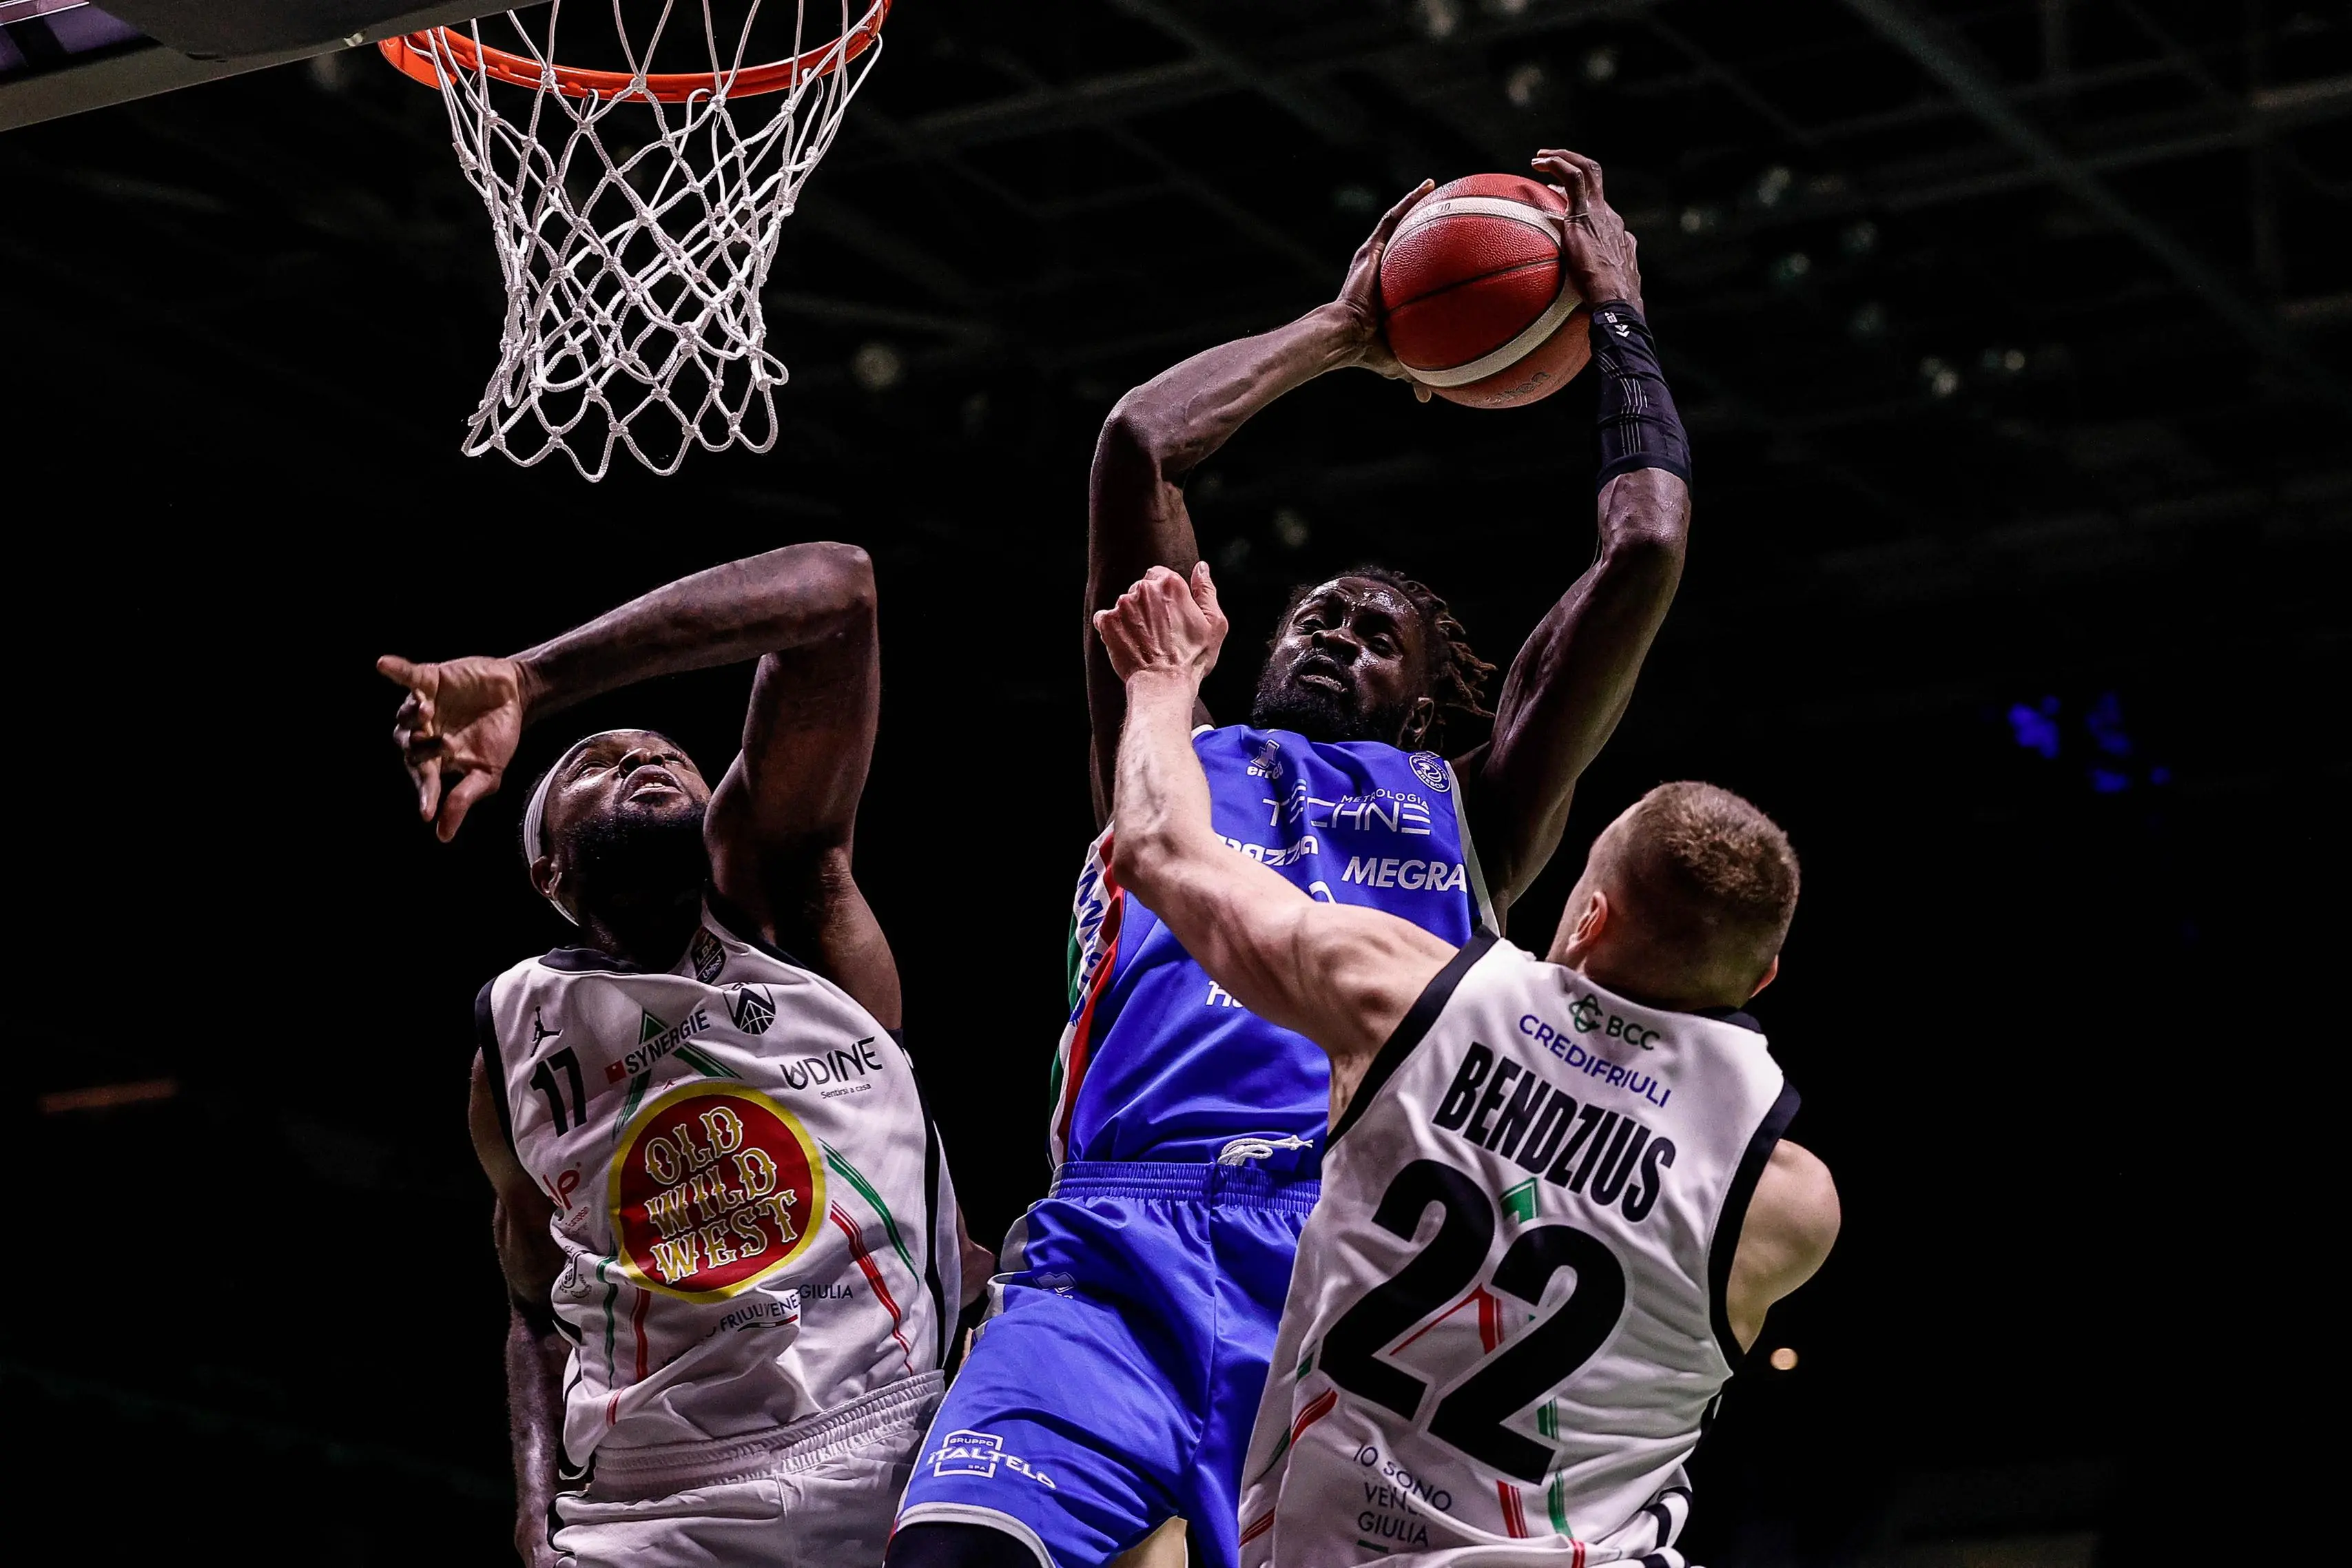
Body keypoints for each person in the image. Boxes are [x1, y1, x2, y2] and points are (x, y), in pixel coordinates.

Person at [893, 149, 1695, 1568]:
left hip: (1349, 1264)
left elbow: (1644, 548)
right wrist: (1345, 331)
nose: (1332, 629)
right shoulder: (1160, 730)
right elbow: (1140, 445)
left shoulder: (1476, 809)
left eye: (1375, 628)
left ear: (1435, 695)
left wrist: (1618, 311)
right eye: (1316, 614)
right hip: (1113, 1239)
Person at [1093, 562, 1839, 1567]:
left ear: (1586, 916)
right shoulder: (1787, 1201)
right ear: (1768, 974)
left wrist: (1161, 676)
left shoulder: (1427, 1003)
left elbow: (1157, 846)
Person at [380, 542, 984, 1568]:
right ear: (546, 866)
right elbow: (531, 1310)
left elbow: (839, 592)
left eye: (666, 753)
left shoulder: (790, 901)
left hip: (883, 1445)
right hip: (645, 1504)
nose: (647, 760)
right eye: (598, 763)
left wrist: (534, 679)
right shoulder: (515, 1032)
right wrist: (535, 1514)